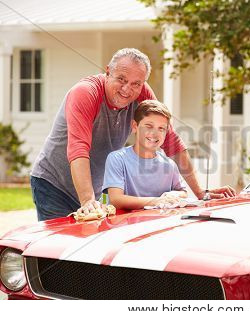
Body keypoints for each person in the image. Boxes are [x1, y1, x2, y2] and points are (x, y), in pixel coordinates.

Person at [30, 48, 235, 221]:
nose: (127, 89)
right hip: (54, 184)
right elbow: (78, 148)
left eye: (136, 83)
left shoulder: (141, 92)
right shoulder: (85, 93)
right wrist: (87, 201)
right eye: (121, 79)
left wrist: (201, 193)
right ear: (108, 71)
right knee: (57, 253)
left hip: (91, 188)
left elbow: (171, 141)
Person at [102, 100, 187, 210]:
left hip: (159, 224)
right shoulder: (117, 159)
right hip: (125, 225)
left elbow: (183, 192)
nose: (155, 133)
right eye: (148, 126)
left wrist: (174, 195)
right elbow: (116, 200)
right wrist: (156, 201)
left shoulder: (170, 165)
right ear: (134, 126)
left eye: (161, 128)